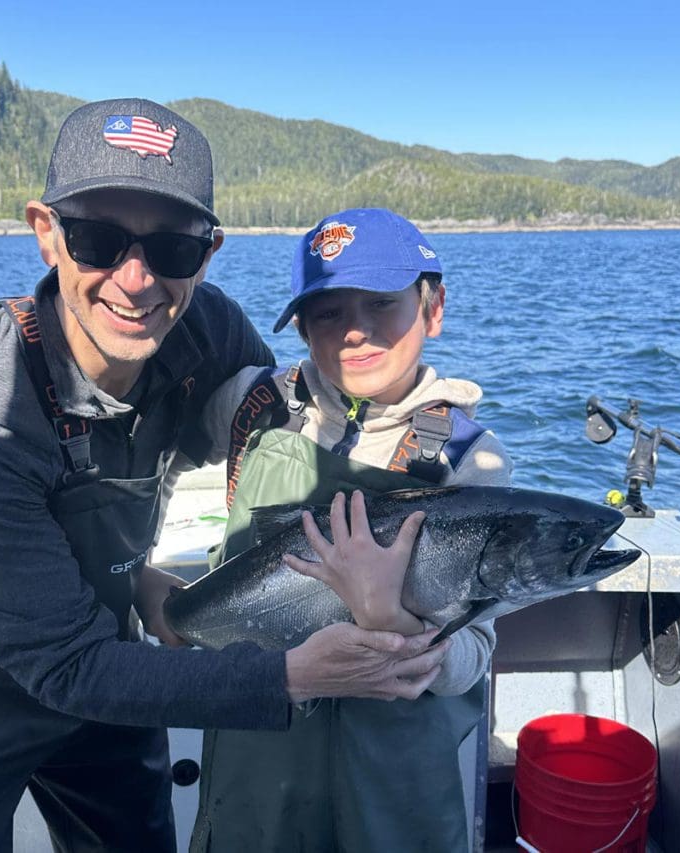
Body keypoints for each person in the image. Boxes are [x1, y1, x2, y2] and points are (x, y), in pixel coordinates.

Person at [0, 102, 448, 853]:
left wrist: (417, 419)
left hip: (105, 672)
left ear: (209, 252)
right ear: (46, 233)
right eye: (98, 239)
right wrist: (290, 676)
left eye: (171, 248)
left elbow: (300, 427)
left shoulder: (206, 332)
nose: (136, 280)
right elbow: (60, 664)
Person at [170, 207, 513, 852]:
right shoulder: (254, 406)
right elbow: (149, 446)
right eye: (328, 313)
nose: (355, 332)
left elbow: (476, 656)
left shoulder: (469, 458)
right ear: (300, 326)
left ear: (432, 308)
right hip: (254, 767)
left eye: (382, 303)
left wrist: (399, 628)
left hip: (396, 788)